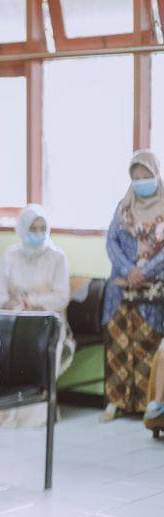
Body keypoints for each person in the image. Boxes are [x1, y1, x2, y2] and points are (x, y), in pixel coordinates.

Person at [0, 204, 73, 427]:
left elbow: (61, 297)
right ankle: (3, 407)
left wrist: (31, 302)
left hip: (46, 323)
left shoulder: (57, 257)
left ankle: (37, 411)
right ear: (22, 229)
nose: (38, 233)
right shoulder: (11, 255)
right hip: (16, 321)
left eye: (42, 228)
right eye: (33, 228)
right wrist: (9, 302)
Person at [104, 151, 164, 417]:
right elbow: (111, 241)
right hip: (121, 287)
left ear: (156, 175)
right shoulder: (124, 207)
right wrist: (129, 270)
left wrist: (145, 271)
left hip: (153, 291)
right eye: (136, 178)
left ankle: (147, 404)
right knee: (118, 345)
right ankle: (117, 401)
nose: (141, 182)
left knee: (147, 343)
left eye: (146, 176)